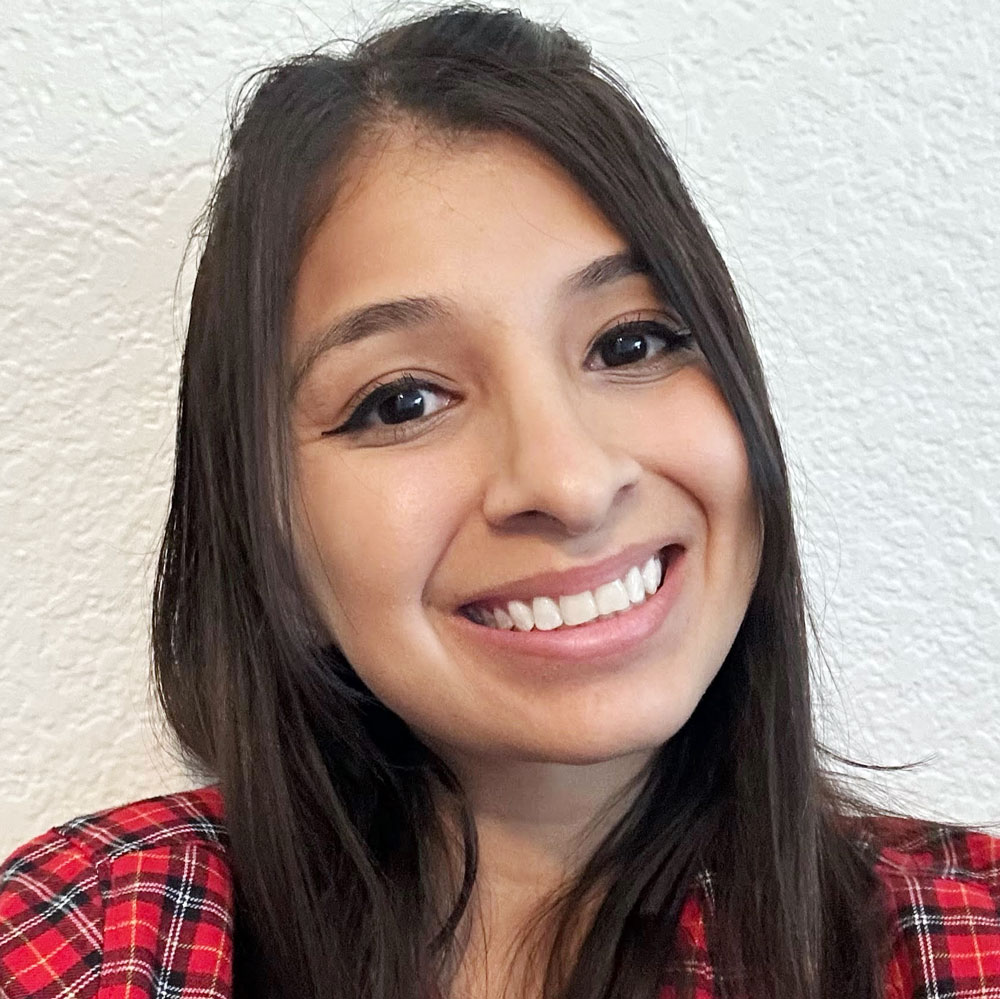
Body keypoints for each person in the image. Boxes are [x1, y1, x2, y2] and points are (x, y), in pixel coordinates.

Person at [1, 4, 998, 998]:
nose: (569, 484)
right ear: (267, 532)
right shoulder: (100, 938)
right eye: (403, 401)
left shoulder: (961, 948)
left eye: (630, 342)